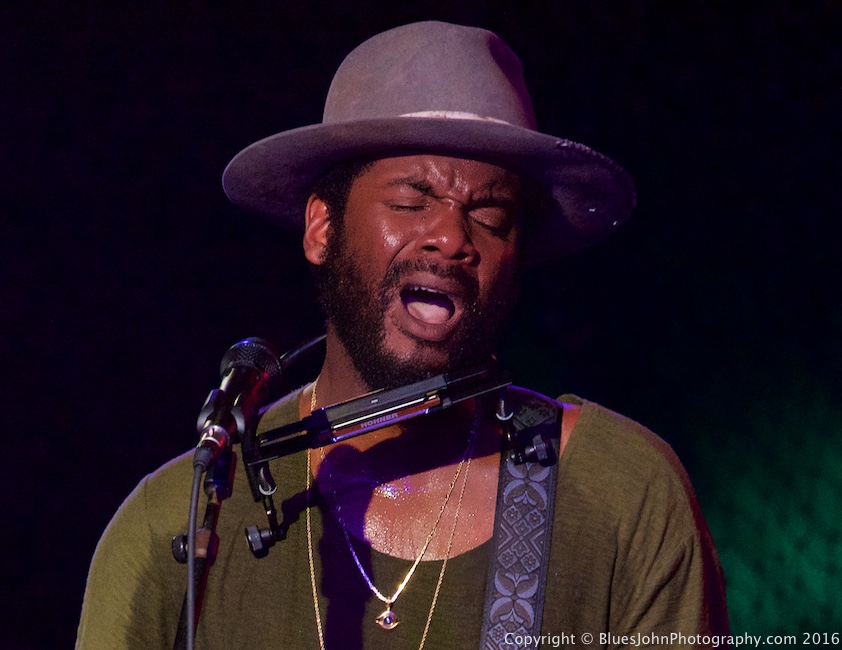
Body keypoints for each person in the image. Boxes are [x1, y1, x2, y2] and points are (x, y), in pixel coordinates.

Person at [76, 21, 729, 650]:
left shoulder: (620, 494)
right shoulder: (183, 526)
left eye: (489, 213)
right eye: (412, 201)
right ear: (321, 229)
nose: (450, 236)